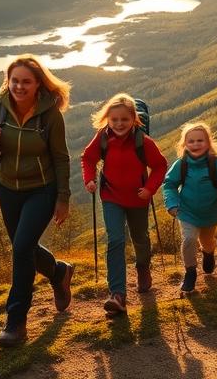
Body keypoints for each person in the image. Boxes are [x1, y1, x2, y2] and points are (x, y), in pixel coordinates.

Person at [0, 55, 75, 349]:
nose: (19, 86)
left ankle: (16, 322)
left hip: (41, 189)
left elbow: (60, 158)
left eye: (26, 81)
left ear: (38, 83)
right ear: (8, 80)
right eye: (15, 80)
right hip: (8, 188)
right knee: (23, 246)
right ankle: (59, 272)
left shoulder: (49, 114)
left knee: (21, 247)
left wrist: (63, 198)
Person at [82, 93, 167, 316]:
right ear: (107, 119)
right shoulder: (102, 137)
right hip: (111, 196)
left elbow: (160, 166)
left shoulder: (143, 142)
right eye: (114, 120)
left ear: (134, 120)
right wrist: (89, 179)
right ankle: (117, 294)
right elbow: (88, 158)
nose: (119, 124)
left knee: (140, 237)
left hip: (138, 199)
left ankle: (142, 268)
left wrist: (149, 189)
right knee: (116, 240)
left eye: (125, 120)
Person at [162, 121, 217, 294]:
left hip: (211, 213)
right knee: (189, 240)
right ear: (184, 145)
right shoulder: (181, 164)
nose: (195, 144)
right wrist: (172, 203)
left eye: (200, 141)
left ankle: (209, 252)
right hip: (187, 212)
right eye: (191, 141)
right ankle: (190, 272)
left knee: (207, 240)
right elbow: (169, 185)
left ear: (208, 143)